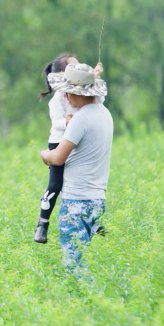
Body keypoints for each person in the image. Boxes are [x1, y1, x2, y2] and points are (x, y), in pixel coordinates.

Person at [39, 63, 112, 273]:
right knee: (84, 262)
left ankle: (85, 302)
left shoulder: (80, 119)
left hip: (76, 203)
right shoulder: (105, 114)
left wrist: (44, 155)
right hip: (97, 200)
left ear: (78, 93)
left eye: (68, 93)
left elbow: (58, 158)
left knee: (73, 266)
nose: (67, 98)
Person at [34, 53, 103, 244]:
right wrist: (67, 122)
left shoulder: (82, 95)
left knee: (80, 185)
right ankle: (42, 223)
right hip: (59, 142)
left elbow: (97, 101)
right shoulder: (57, 99)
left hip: (78, 142)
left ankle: (92, 221)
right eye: (75, 66)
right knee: (55, 185)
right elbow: (56, 123)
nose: (80, 66)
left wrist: (95, 78)